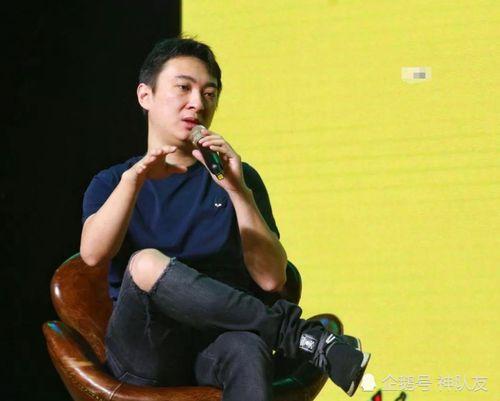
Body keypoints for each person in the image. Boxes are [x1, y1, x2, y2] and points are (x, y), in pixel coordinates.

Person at [80, 37, 370, 400]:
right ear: (145, 95)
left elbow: (271, 279)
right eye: (183, 88)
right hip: (146, 350)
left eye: (210, 93)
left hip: (214, 345)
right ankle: (297, 335)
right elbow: (92, 254)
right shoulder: (114, 181)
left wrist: (237, 190)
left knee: (247, 349)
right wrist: (133, 181)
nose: (198, 103)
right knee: (145, 263)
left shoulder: (237, 179)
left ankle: (297, 337)